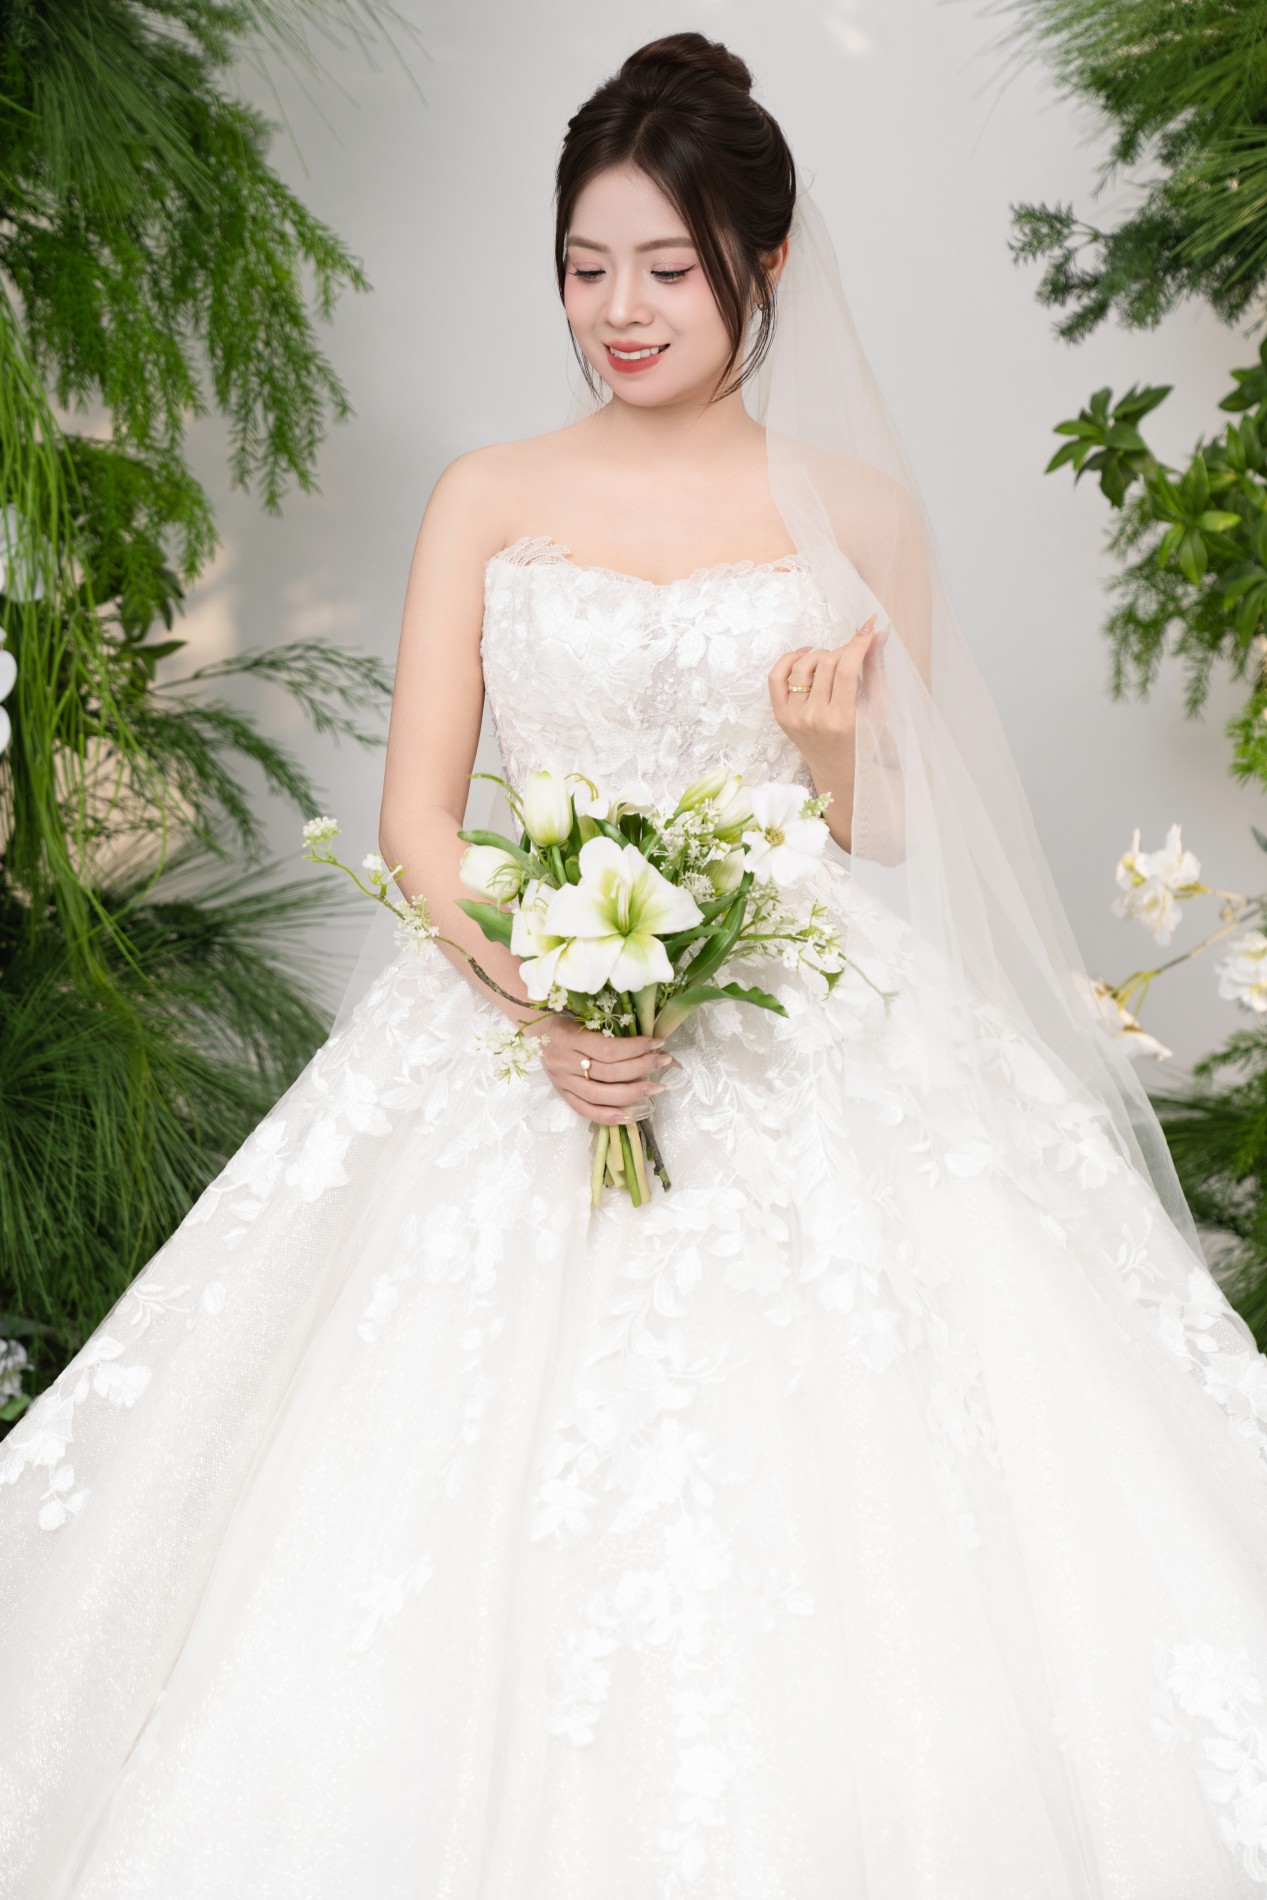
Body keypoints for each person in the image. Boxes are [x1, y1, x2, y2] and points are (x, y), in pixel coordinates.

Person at [5, 29, 1267, 1900]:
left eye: (667, 268)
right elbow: (420, 820)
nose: (621, 310)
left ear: (764, 262)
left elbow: (896, 829)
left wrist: (829, 748)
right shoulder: (488, 495)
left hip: (806, 1023)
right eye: (586, 267)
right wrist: (552, 1004)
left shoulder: (862, 515)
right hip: (518, 1015)